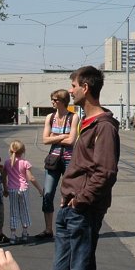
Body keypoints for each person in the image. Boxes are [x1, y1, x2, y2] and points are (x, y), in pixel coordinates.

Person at [54, 65, 120, 270]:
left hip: (82, 209)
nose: (71, 90)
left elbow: (105, 172)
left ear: (86, 88)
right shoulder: (85, 122)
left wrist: (80, 200)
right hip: (69, 208)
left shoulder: (103, 127)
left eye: (74, 85)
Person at [39, 89, 80, 239]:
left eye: (55, 100)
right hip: (53, 159)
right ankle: (48, 229)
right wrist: (63, 135)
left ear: (63, 101)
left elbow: (72, 141)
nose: (52, 102)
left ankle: (69, 226)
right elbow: (44, 139)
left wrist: (54, 137)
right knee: (48, 193)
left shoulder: (73, 117)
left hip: (69, 159)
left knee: (69, 193)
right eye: (52, 99)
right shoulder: (50, 117)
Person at [5, 140, 43, 244]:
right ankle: (25, 232)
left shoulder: (7, 163)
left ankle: (13, 235)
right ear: (23, 151)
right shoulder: (25, 163)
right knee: (24, 210)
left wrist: (5, 188)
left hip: (12, 189)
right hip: (23, 189)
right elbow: (31, 178)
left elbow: (4, 177)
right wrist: (40, 189)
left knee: (13, 211)